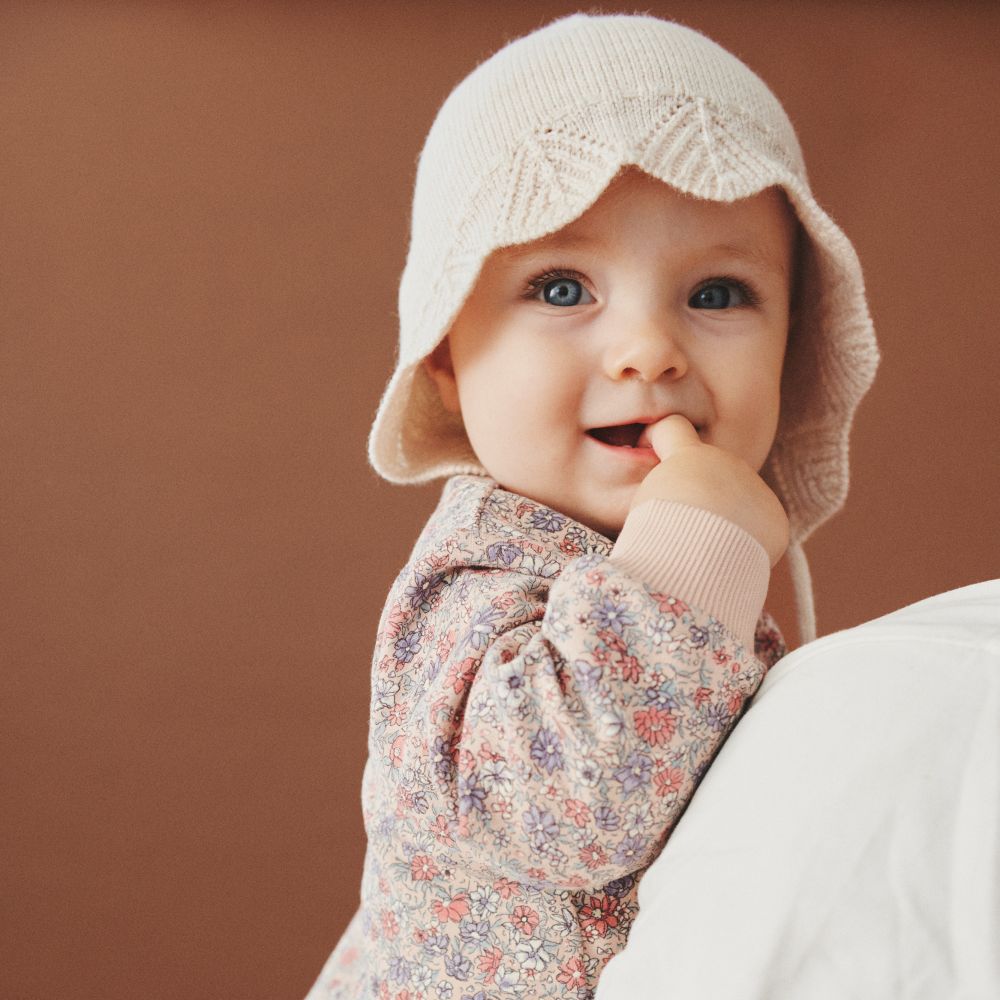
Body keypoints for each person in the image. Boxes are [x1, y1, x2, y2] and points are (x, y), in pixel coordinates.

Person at [306, 12, 878, 999]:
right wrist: (688, 554)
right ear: (444, 352)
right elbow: (569, 804)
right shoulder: (472, 587)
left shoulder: (694, 585)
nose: (649, 350)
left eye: (718, 293)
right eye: (563, 286)